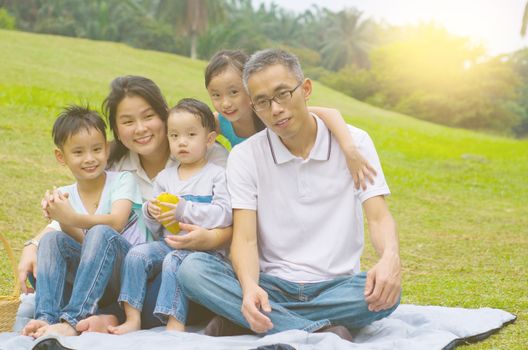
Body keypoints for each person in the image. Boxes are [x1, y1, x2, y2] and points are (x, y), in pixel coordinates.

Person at [177, 49, 402, 341]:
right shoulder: (245, 156)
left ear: (305, 89)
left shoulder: (355, 144)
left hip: (336, 286)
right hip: (270, 283)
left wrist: (389, 259)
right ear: (254, 107)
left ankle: (250, 319)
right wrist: (248, 289)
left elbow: (379, 217)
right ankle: (318, 331)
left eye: (283, 94)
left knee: (384, 294)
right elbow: (245, 238)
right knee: (192, 269)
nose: (276, 109)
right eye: (262, 102)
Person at [17, 76, 231, 333]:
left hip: (180, 262)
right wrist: (35, 243)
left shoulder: (207, 157)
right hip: (126, 267)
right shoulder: (115, 164)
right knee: (56, 253)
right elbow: (83, 207)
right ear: (116, 132)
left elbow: (235, 218)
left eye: (148, 116)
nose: (140, 129)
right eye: (128, 121)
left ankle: (101, 317)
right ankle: (54, 317)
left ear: (165, 115)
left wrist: (208, 239)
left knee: (175, 275)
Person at [109, 98, 232, 334]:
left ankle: (175, 322)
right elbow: (156, 231)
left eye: (190, 135)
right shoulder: (165, 178)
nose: (181, 142)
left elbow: (224, 215)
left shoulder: (217, 175)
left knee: (174, 261)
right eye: (174, 136)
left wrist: (184, 210)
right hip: (169, 243)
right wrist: (151, 213)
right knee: (137, 254)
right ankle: (132, 317)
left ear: (209, 139)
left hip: (204, 252)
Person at [21, 105, 145, 338]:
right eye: (78, 152)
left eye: (96, 149)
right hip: (93, 278)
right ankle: (46, 316)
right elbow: (85, 245)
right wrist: (60, 218)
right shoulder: (66, 194)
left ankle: (74, 319)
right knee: (52, 239)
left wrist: (71, 217)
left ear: (107, 149)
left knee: (100, 232)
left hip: (126, 273)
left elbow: (116, 223)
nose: (90, 159)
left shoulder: (122, 180)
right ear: (61, 156)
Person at [205, 49, 377, 189]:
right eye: (216, 95)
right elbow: (190, 129)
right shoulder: (220, 121)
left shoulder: (271, 113)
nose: (225, 103)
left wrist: (349, 149)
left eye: (234, 92)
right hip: (250, 180)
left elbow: (330, 114)